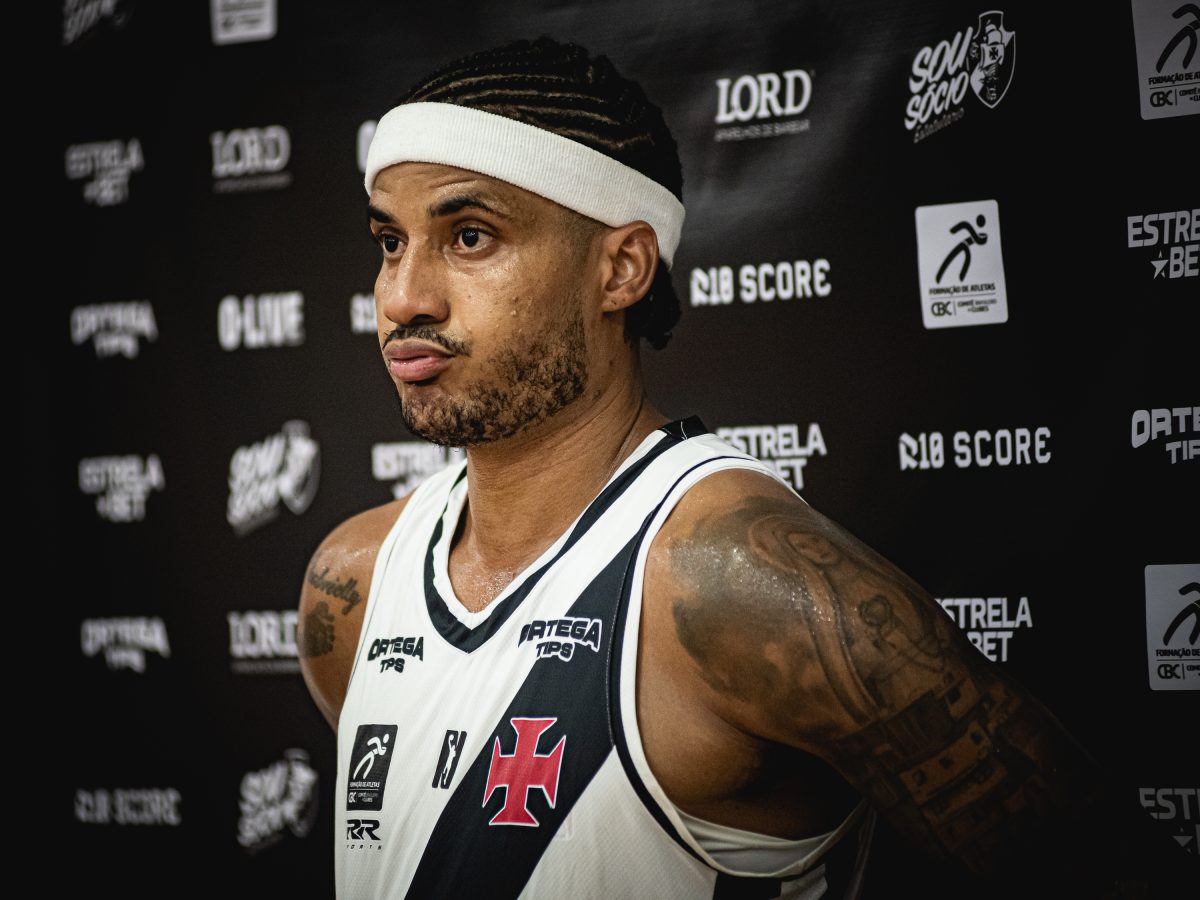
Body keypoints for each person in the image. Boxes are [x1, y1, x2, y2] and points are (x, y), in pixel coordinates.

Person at [298, 36, 1187, 899]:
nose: (403, 297)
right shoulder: (354, 584)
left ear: (622, 268)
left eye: (470, 237)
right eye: (390, 242)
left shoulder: (737, 584)